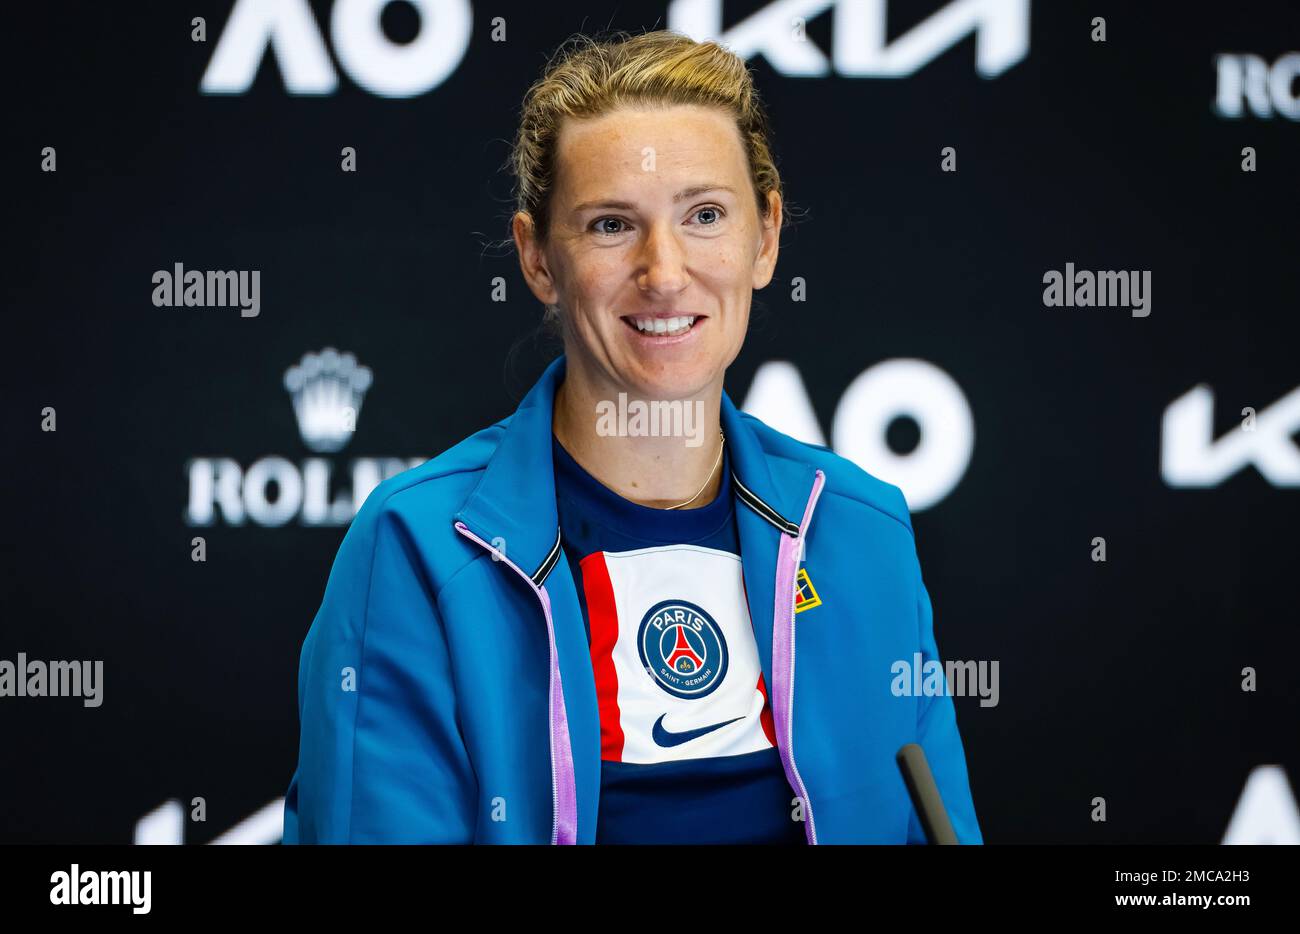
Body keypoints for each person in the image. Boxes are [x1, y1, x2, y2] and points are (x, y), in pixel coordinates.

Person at [282, 29, 981, 845]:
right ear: (539, 259)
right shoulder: (417, 547)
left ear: (767, 239)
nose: (666, 271)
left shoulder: (863, 531)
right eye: (613, 225)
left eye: (706, 215)